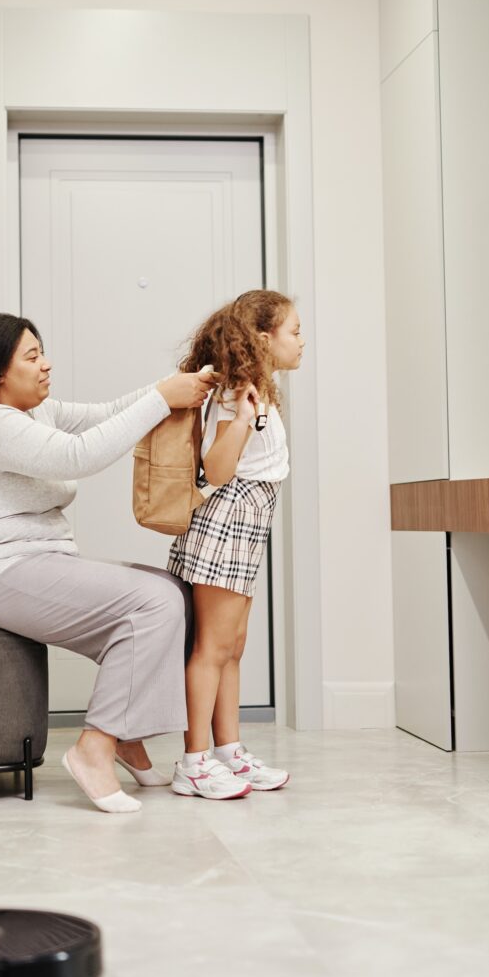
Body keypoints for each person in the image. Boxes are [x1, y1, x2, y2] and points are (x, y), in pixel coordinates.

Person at [0, 312, 214, 814]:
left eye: (43, 353)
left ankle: (126, 734)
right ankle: (94, 747)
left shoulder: (34, 412)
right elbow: (80, 456)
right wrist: (162, 399)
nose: (46, 365)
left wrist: (171, 388)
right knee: (152, 602)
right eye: (32, 356)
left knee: (174, 594)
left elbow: (107, 414)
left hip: (35, 564)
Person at [167, 290, 304, 799]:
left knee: (233, 646)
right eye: (294, 331)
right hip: (228, 518)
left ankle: (228, 753)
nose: (301, 341)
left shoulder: (256, 387)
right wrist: (244, 421)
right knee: (211, 647)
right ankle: (194, 763)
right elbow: (218, 470)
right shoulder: (237, 392)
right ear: (264, 338)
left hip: (248, 518)